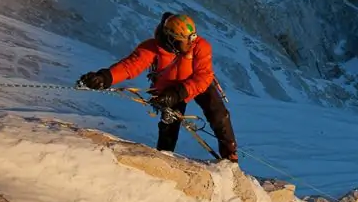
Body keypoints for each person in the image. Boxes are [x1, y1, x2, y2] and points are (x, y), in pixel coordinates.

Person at [78, 12, 238, 162]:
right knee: (169, 127)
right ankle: (164, 160)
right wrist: (105, 77)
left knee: (219, 114)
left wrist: (179, 92)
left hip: (195, 83)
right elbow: (130, 66)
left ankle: (230, 155)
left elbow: (203, 76)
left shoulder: (200, 46)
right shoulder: (153, 48)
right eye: (186, 41)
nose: (191, 44)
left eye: (192, 38)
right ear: (172, 38)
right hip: (169, 90)